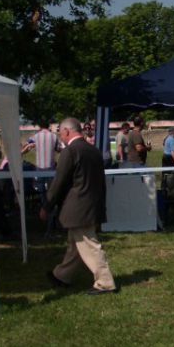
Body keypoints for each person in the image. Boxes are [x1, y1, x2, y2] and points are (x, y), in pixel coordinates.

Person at [42, 117, 117, 294]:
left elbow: (59, 182)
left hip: (78, 207)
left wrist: (47, 205)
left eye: (60, 132)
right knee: (76, 244)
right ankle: (62, 275)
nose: (60, 136)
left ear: (67, 131)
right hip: (91, 204)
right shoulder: (93, 150)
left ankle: (105, 282)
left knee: (88, 244)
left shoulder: (70, 151)